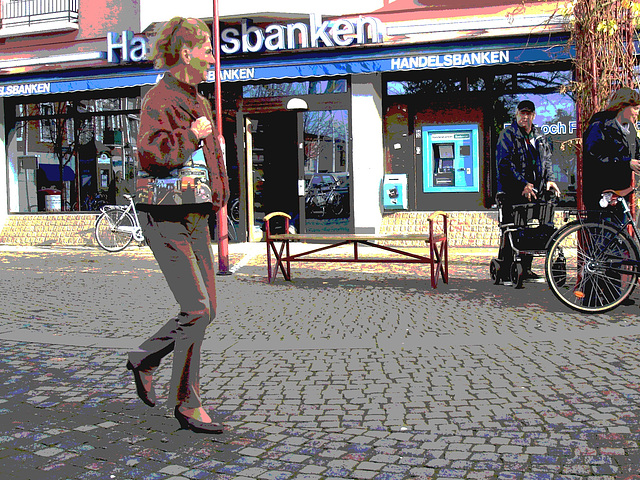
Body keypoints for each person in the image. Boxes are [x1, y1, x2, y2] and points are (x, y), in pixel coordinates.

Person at [125, 17, 229, 434]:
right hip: (166, 217)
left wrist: (219, 196)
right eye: (208, 50)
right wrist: (192, 134)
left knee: (207, 311)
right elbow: (151, 156)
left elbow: (212, 159)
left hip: (196, 214)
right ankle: (187, 404)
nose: (212, 59)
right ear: (186, 53)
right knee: (197, 308)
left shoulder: (198, 100)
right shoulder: (159, 97)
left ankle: (145, 358)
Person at [496, 99, 560, 278]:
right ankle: (506, 270)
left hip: (535, 191)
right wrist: (522, 184)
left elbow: (546, 159)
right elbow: (505, 165)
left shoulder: (539, 136)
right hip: (512, 192)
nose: (525, 117)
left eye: (528, 114)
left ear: (533, 116)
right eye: (522, 113)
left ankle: (526, 268)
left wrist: (550, 179)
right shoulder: (507, 135)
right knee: (512, 229)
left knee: (532, 231)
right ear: (516, 114)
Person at [582, 87, 640, 214]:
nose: (637, 113)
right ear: (623, 106)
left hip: (620, 194)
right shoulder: (600, 125)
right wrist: (626, 163)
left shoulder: (630, 130)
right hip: (600, 194)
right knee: (603, 233)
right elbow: (593, 158)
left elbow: (637, 153)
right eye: (635, 108)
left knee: (622, 233)